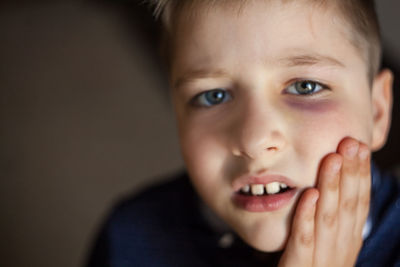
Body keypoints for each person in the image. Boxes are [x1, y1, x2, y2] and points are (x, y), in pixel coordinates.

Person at [87, 0, 400, 266]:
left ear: (377, 112)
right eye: (213, 96)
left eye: (305, 87)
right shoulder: (129, 239)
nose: (254, 141)